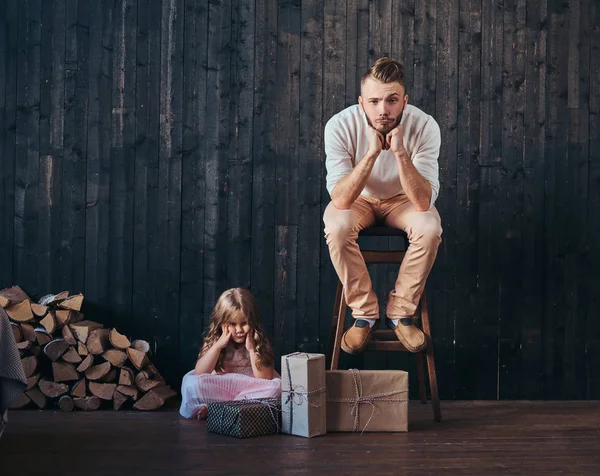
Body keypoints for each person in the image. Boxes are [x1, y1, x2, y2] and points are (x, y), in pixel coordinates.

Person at [323, 57, 442, 355]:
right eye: (374, 101)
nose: (383, 110)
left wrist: (400, 152)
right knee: (336, 226)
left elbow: (422, 202)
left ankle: (401, 314)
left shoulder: (425, 125)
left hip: (403, 199)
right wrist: (371, 154)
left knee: (429, 228)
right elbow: (340, 200)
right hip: (358, 198)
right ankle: (364, 314)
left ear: (404, 101)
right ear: (361, 102)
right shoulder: (339, 125)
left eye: (391, 100)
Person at [179, 288, 281, 420]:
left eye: (244, 323)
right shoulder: (215, 341)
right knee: (192, 384)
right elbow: (200, 373)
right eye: (232, 324)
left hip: (250, 389)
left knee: (276, 389)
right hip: (222, 386)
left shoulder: (259, 342)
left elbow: (265, 378)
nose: (239, 330)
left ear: (253, 321)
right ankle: (229, 408)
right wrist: (218, 346)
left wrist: (251, 350)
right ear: (221, 323)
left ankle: (218, 408)